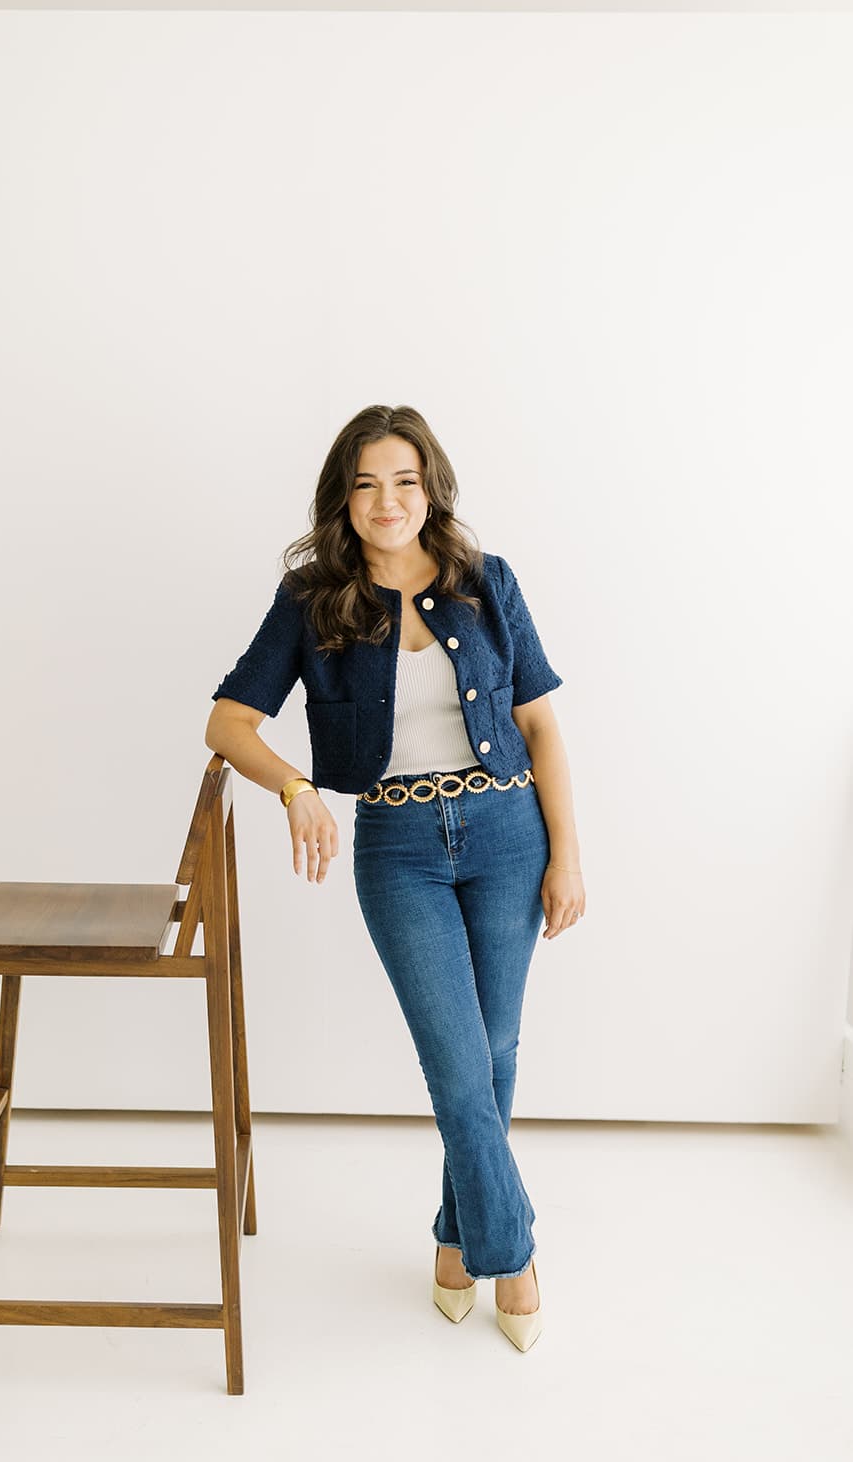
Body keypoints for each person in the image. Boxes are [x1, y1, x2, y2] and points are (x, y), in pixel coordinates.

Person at [205, 404, 585, 1352]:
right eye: (367, 482)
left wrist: (568, 856)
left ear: (431, 489)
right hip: (399, 848)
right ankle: (517, 1253)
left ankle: (457, 1244)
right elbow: (227, 721)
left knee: (494, 1051)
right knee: (458, 1064)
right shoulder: (311, 600)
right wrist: (295, 788)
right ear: (344, 494)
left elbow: (540, 726)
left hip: (508, 831)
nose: (387, 500)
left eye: (404, 481)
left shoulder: (484, 582)